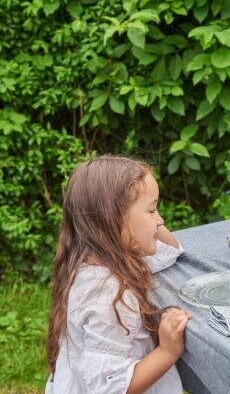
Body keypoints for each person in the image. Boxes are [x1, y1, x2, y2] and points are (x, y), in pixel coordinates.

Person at [45, 155, 191, 393]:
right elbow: (108, 388)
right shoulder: (108, 294)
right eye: (152, 210)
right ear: (113, 220)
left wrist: (149, 220)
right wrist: (168, 351)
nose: (161, 220)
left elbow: (170, 251)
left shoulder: (108, 257)